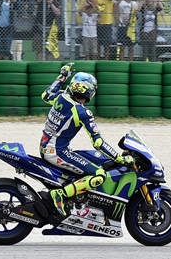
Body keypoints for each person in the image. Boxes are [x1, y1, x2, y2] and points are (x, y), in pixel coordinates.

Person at [41, 64, 134, 217]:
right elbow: (98, 143)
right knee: (99, 174)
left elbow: (45, 95)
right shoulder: (82, 112)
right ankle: (60, 195)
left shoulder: (61, 97)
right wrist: (119, 158)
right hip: (57, 152)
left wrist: (63, 75)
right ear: (89, 92)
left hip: (46, 147)